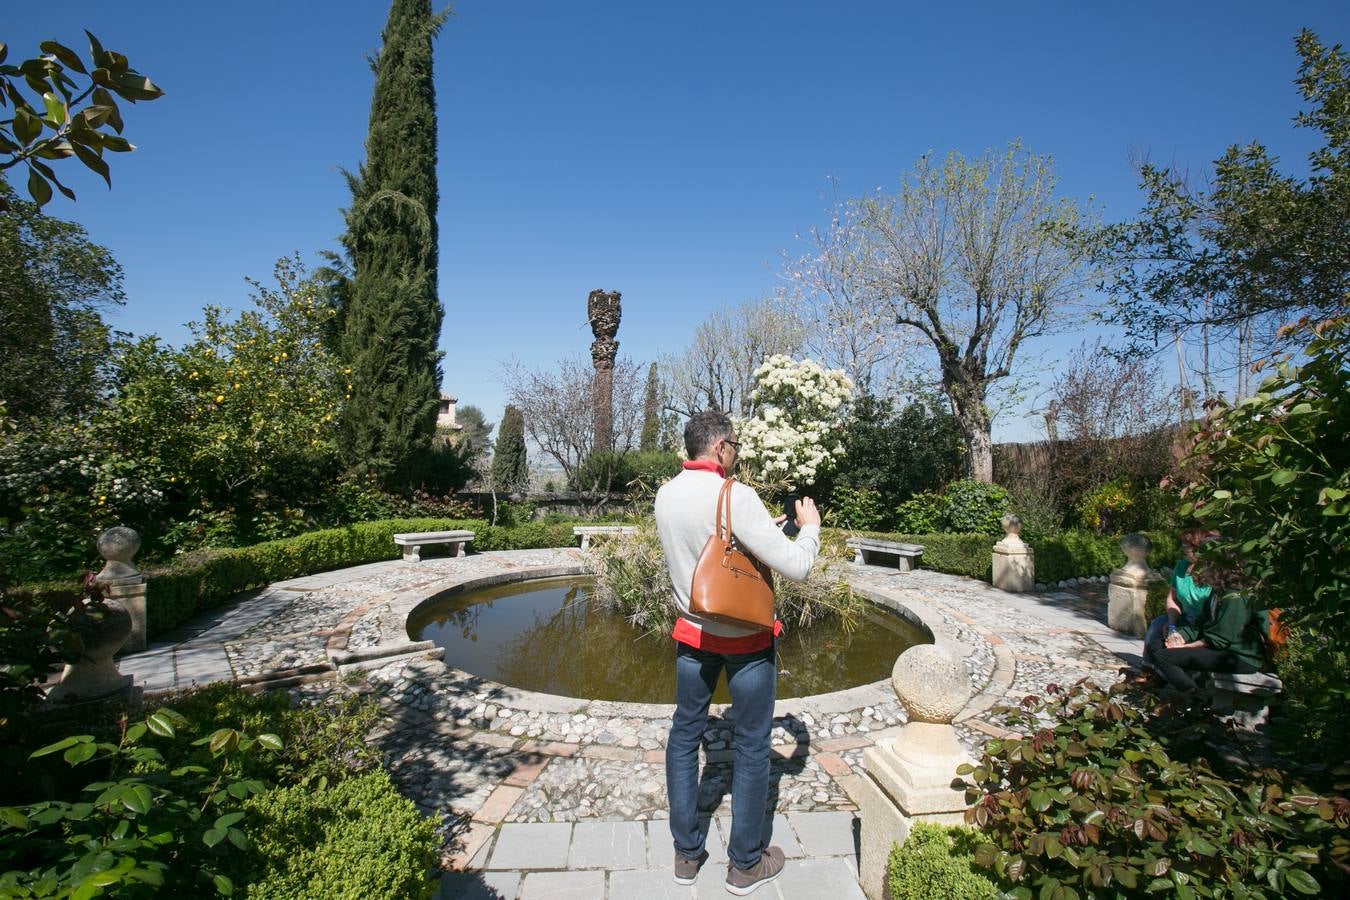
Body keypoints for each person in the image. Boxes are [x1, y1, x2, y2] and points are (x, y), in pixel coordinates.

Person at [654, 410, 822, 895]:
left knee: (685, 737)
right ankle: (746, 864)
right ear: (722, 448)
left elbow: (705, 544)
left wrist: (759, 527)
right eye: (736, 449)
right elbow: (796, 566)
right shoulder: (735, 494)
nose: (737, 457)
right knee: (752, 745)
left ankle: (686, 855)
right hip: (745, 643)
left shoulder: (666, 494)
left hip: (692, 638)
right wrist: (808, 527)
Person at [1143, 557, 1270, 693]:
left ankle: (1193, 699)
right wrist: (1181, 636)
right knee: (1155, 645)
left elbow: (1220, 638)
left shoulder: (1235, 596)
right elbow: (1202, 622)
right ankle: (1181, 689)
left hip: (1239, 656)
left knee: (1165, 657)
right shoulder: (1218, 591)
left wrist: (1187, 647)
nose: (1199, 571)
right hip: (1219, 647)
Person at [1140, 529, 1217, 676]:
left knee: (1174, 645)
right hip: (1184, 617)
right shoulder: (1181, 567)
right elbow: (1172, 598)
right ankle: (1147, 671)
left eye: (1186, 546)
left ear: (1199, 548)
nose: (1182, 548)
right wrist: (1172, 622)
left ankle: (1177, 677)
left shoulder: (1214, 574)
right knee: (1157, 625)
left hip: (1205, 623)